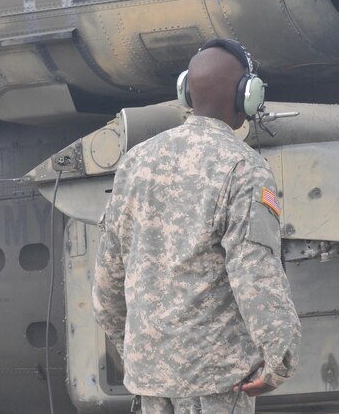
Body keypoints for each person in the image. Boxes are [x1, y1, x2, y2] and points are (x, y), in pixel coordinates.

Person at [92, 38, 301, 414]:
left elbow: (108, 283)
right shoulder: (243, 168)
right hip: (215, 386)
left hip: (151, 385)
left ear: (187, 91)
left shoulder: (135, 163)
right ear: (245, 97)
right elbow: (255, 275)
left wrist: (136, 355)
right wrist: (279, 358)